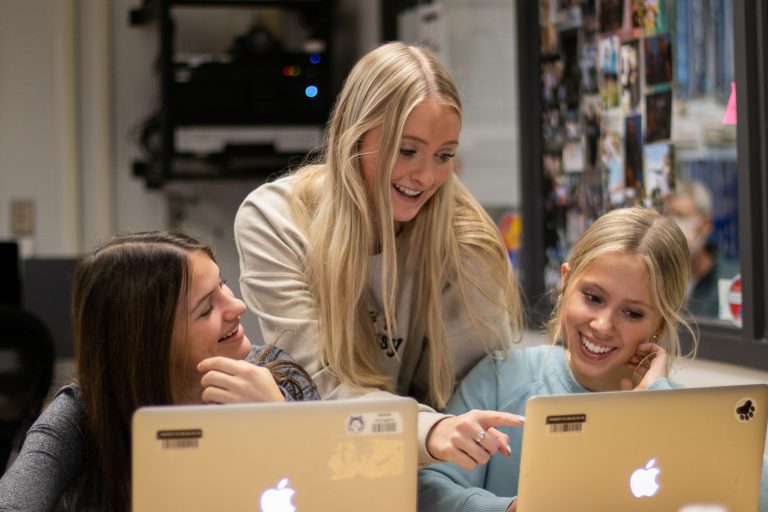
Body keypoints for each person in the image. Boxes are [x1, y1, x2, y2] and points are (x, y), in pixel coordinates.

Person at [234, 41, 525, 467]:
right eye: (407, 150)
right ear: (353, 134)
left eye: (444, 156)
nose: (426, 176)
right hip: (325, 458)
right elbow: (317, 386)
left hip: (440, 473)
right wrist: (431, 431)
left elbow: (482, 389)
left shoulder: (466, 237)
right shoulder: (274, 219)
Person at [418, 206, 768, 511]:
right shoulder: (501, 378)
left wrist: (659, 399)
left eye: (632, 313)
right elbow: (428, 490)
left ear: (661, 322)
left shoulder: (678, 406)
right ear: (567, 282)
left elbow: (756, 492)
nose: (602, 325)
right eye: (593, 297)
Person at [0, 231, 319, 512]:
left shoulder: (279, 377)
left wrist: (280, 423)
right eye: (207, 308)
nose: (237, 307)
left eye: (222, 284)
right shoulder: (83, 415)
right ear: (149, 344)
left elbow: (342, 493)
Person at [665, 178, 738, 318]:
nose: (672, 226)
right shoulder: (656, 278)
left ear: (706, 224)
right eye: (668, 216)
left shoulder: (731, 282)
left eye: (681, 217)